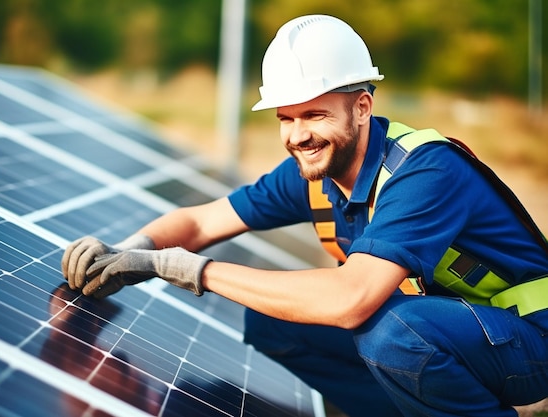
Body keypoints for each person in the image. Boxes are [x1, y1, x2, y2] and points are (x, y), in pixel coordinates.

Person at [61, 14, 548, 417]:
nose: (298, 136)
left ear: (361, 108)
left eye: (315, 115)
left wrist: (189, 269)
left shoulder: (425, 171)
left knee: (393, 332)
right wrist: (132, 248)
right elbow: (201, 223)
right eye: (285, 119)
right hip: (461, 329)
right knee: (277, 320)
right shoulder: (312, 171)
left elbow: (351, 299)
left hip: (530, 337)